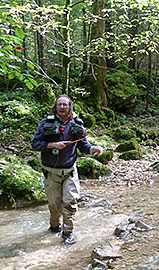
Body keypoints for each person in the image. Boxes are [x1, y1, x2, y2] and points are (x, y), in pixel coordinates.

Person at [31, 95, 103, 245]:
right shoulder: (46, 123)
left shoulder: (76, 125)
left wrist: (94, 149)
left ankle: (68, 233)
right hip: (51, 173)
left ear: (70, 107)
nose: (62, 107)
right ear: (56, 107)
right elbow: (35, 144)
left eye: (65, 105)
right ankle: (54, 227)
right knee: (54, 205)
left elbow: (84, 145)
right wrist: (53, 145)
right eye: (60, 105)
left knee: (70, 203)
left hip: (70, 171)